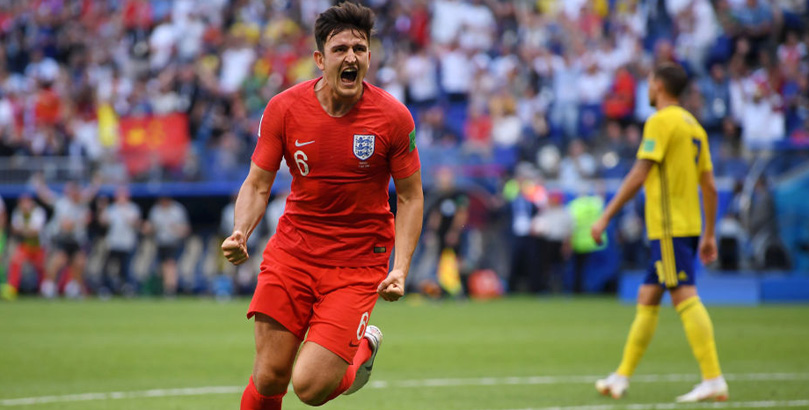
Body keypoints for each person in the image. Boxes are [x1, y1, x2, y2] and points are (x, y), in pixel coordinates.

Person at [220, 3, 423, 410]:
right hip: (293, 253)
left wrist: (399, 268)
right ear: (319, 59)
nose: (352, 57)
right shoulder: (284, 108)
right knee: (268, 377)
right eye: (341, 48)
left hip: (356, 263)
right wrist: (241, 230)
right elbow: (258, 184)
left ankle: (362, 349)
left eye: (360, 49)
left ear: (369, 57)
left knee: (310, 387)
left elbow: (410, 196)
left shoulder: (393, 118)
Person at [590, 63, 727, 402]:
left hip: (668, 226)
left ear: (660, 86)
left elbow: (640, 172)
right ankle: (621, 377)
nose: (647, 89)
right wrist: (709, 234)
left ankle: (713, 378)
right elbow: (708, 185)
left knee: (684, 294)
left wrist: (605, 216)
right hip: (688, 225)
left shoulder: (659, 122)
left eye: (650, 82)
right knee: (647, 298)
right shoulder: (694, 126)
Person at [99, 186, 142, 296]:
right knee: (108, 267)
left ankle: (127, 289)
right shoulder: (112, 209)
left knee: (126, 268)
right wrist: (102, 208)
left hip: (127, 243)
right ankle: (106, 288)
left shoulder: (132, 208)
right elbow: (103, 222)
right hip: (113, 243)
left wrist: (129, 219)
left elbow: (136, 223)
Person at [143, 196, 189, 296]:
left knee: (170, 264)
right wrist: (147, 228)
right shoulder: (155, 210)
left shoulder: (177, 210)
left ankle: (171, 289)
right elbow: (151, 227)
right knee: (163, 266)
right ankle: (166, 288)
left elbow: (185, 229)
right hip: (160, 242)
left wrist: (176, 229)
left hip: (174, 242)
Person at [6, 194, 47, 298]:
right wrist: (27, 229)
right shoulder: (18, 212)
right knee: (15, 261)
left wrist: (23, 229)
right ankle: (12, 288)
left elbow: (34, 231)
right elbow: (15, 229)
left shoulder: (38, 211)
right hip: (25, 246)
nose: (24, 204)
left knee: (41, 268)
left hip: (39, 246)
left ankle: (43, 289)